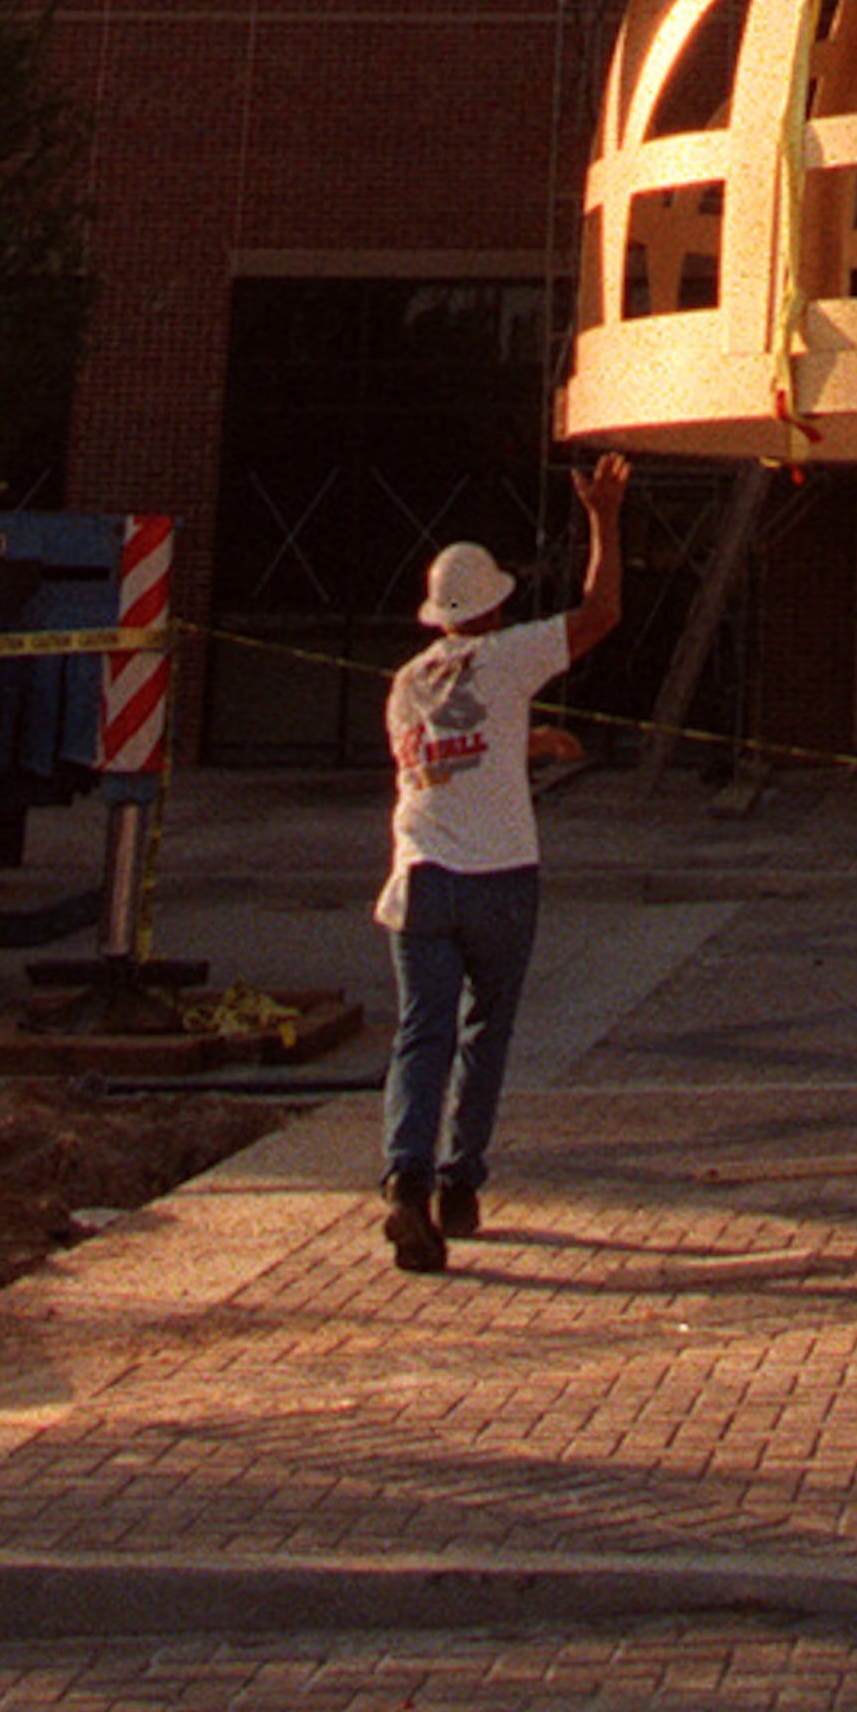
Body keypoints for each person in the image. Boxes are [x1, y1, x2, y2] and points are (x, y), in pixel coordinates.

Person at [373, 451, 627, 1274]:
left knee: (422, 1033)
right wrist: (604, 518)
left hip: (419, 881)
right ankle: (460, 1183)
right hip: (500, 883)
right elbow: (600, 612)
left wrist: (532, 740)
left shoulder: (405, 684)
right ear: (490, 609)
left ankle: (406, 1185)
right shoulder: (510, 657)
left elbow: (455, 754)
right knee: (485, 1033)